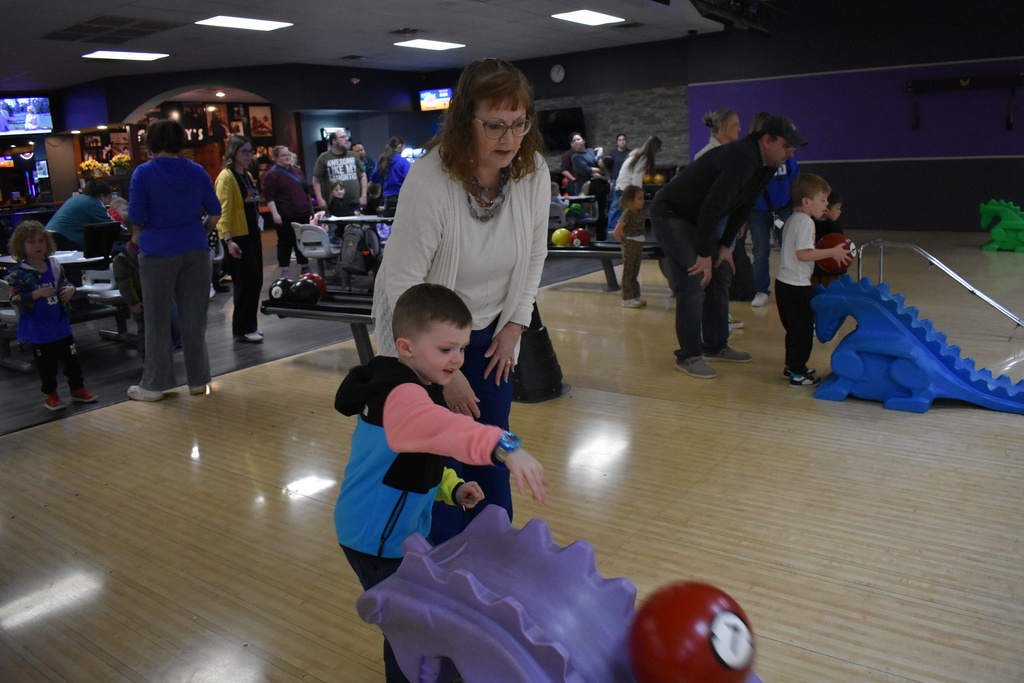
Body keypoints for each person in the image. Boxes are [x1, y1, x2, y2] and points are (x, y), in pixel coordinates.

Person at [372, 57, 549, 544]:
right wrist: (441, 370)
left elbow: (536, 253)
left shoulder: (532, 173)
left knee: (493, 440)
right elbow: (403, 285)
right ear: (464, 120)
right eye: (494, 125)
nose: (508, 139)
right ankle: (441, 567)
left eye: (518, 124)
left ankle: (496, 553)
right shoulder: (431, 181)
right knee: (437, 456)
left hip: (491, 333)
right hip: (422, 340)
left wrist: (516, 323)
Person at [334, 283, 547, 683]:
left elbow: (414, 457)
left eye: (462, 348)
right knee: (409, 626)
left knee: (411, 620)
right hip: (375, 540)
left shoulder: (411, 386)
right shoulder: (400, 396)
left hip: (394, 530)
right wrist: (505, 446)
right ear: (406, 346)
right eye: (446, 349)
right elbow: (445, 428)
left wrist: (449, 487)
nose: (457, 360)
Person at [650, 114, 807, 379]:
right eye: (787, 146)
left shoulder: (765, 164)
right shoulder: (742, 158)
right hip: (672, 213)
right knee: (695, 276)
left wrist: (724, 246)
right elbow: (714, 206)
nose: (790, 154)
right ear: (767, 140)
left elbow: (744, 205)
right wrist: (703, 253)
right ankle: (689, 356)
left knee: (721, 271)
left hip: (698, 218)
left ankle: (715, 345)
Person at [126, 118, 222, 402]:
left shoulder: (143, 173)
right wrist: (200, 231)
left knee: (157, 320)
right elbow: (215, 211)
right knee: (195, 320)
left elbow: (137, 217)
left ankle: (155, 385)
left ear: (151, 143)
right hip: (195, 248)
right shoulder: (197, 170)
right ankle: (198, 381)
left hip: (158, 252)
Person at [5, 221, 98, 411]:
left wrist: (71, 289)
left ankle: (77, 389)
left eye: (40, 241)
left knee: (72, 360)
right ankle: (50, 394)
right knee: (47, 366)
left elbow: (66, 283)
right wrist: (36, 294)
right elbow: (14, 298)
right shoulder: (18, 273)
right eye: (31, 242)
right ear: (21, 246)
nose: (37, 245)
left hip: (60, 324)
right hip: (39, 329)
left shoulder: (55, 266)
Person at [776, 174, 852, 387]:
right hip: (796, 286)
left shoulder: (792, 219)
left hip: (784, 284)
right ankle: (798, 373)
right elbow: (804, 254)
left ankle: (792, 365)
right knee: (802, 331)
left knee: (793, 329)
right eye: (823, 200)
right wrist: (832, 252)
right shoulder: (806, 223)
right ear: (807, 202)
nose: (826, 205)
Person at [694, 109, 747, 330]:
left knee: (722, 268)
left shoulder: (729, 153)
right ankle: (716, 316)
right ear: (723, 127)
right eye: (736, 124)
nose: (740, 128)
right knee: (717, 268)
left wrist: (738, 219)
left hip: (725, 219)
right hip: (714, 222)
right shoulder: (706, 155)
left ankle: (720, 313)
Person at [748, 111, 800, 308]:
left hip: (783, 208)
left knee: (789, 249)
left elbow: (794, 180)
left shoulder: (787, 157)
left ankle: (791, 287)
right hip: (758, 211)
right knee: (761, 252)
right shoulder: (752, 159)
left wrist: (795, 206)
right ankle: (761, 290)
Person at [215, 135, 265, 343]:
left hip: (251, 232)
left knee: (255, 280)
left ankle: (249, 325)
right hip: (237, 235)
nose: (248, 156)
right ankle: (242, 328)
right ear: (233, 153)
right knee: (245, 282)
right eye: (244, 151)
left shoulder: (248, 176)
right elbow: (222, 210)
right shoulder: (226, 177)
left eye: (250, 152)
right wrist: (228, 240)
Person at [112, 217, 182, 355]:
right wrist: (134, 302)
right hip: (141, 299)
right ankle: (147, 361)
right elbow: (124, 282)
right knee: (146, 332)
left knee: (172, 327)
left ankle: (164, 356)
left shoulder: (155, 250)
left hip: (161, 295)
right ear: (135, 229)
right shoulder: (122, 258)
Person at [262, 145, 312, 279]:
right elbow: (269, 196)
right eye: (283, 155)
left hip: (302, 213)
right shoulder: (272, 175)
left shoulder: (297, 171)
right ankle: (285, 269)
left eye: (288, 155)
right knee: (285, 242)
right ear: (276, 158)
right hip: (285, 214)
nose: (287, 158)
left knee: (300, 241)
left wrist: (310, 209)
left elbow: (305, 190)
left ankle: (304, 265)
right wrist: (275, 213)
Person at [608, 135, 662, 234]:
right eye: (658, 149)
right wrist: (639, 193)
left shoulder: (637, 154)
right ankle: (620, 232)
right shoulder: (643, 157)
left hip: (621, 184)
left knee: (627, 212)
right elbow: (637, 176)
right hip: (626, 186)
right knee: (630, 212)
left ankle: (622, 231)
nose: (658, 151)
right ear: (655, 148)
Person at [45, 180, 114, 250]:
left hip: (49, 234)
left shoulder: (77, 198)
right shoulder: (94, 203)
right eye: (110, 197)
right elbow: (111, 224)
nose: (110, 200)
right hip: (62, 237)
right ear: (102, 196)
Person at [312, 130, 366, 212]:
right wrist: (319, 199)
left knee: (355, 225)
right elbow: (316, 180)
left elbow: (363, 176)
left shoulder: (353, 155)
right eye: (342, 137)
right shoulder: (324, 157)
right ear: (334, 141)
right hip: (333, 203)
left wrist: (363, 196)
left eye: (346, 137)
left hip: (354, 203)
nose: (346, 139)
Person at [612, 185, 647, 308]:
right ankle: (627, 298)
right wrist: (625, 241)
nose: (642, 201)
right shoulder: (627, 214)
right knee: (628, 271)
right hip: (630, 244)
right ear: (630, 201)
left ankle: (635, 295)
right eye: (639, 198)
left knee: (634, 271)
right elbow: (617, 231)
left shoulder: (639, 212)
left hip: (638, 244)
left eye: (643, 198)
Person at [811, 191, 847, 287]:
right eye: (838, 209)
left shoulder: (836, 225)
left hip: (830, 272)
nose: (840, 212)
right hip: (814, 271)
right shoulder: (810, 224)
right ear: (826, 209)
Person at [371, 135, 410, 213]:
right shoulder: (404, 162)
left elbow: (374, 178)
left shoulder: (383, 161)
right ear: (400, 146)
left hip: (388, 198)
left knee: (389, 223)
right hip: (402, 197)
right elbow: (408, 181)